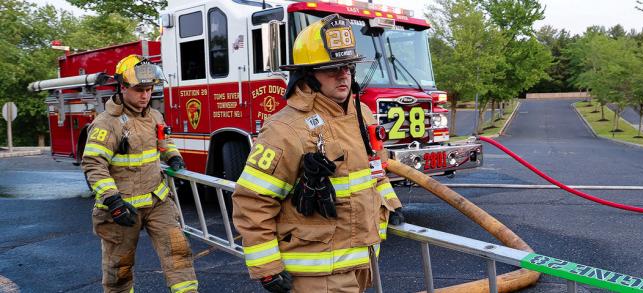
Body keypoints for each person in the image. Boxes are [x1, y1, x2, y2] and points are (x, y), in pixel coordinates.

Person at [231, 14, 404, 293]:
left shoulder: (362, 115)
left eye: (347, 66)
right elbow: (253, 202)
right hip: (315, 274)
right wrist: (267, 268)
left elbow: (376, 171)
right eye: (332, 68)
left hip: (362, 262)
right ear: (308, 74)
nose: (343, 74)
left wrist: (391, 205)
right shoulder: (285, 129)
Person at [81, 55, 197, 292]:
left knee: (178, 253)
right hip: (121, 208)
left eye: (149, 89)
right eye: (139, 90)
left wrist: (172, 155)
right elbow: (94, 164)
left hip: (157, 201)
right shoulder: (106, 124)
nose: (145, 95)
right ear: (123, 88)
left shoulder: (154, 116)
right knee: (119, 271)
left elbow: (165, 141)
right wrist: (112, 200)